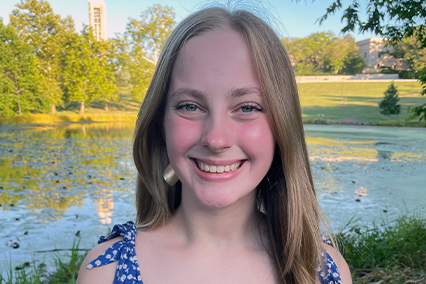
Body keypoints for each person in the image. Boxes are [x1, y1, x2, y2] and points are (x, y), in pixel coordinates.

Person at [77, 6, 352, 284]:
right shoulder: (105, 272)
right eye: (190, 106)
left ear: (282, 126)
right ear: (161, 123)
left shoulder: (324, 270)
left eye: (247, 107)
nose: (216, 139)